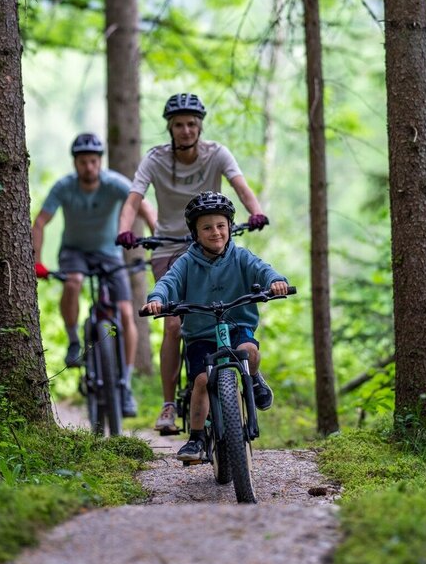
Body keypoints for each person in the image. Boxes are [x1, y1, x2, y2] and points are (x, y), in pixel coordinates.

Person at [115, 92, 269, 435]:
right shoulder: (155, 159)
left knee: (225, 309)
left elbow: (239, 185)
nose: (186, 130)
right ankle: (169, 404)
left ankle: (240, 376)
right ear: (170, 128)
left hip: (211, 241)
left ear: (200, 127)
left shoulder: (217, 154)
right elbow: (134, 198)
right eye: (179, 125)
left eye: (191, 124)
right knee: (173, 325)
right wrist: (124, 230)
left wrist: (255, 210)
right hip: (170, 246)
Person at [141, 191, 288, 462]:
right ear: (195, 233)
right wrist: (157, 299)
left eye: (221, 226)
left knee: (249, 352)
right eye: (207, 228)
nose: (215, 233)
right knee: (200, 381)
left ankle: (253, 379)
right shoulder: (186, 262)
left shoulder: (241, 257)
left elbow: (262, 269)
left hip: (236, 325)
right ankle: (196, 438)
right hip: (200, 335)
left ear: (230, 227)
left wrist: (275, 281)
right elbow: (168, 282)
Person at [33, 132, 156, 417]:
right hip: (74, 252)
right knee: (74, 282)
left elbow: (144, 208)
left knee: (126, 311)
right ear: (75, 164)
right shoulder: (64, 187)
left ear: (100, 162)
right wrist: (36, 261)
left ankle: (124, 384)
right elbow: (40, 222)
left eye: (93, 161)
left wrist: (156, 244)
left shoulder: (114, 184)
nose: (88, 167)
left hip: (109, 253)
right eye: (83, 162)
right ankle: (74, 340)